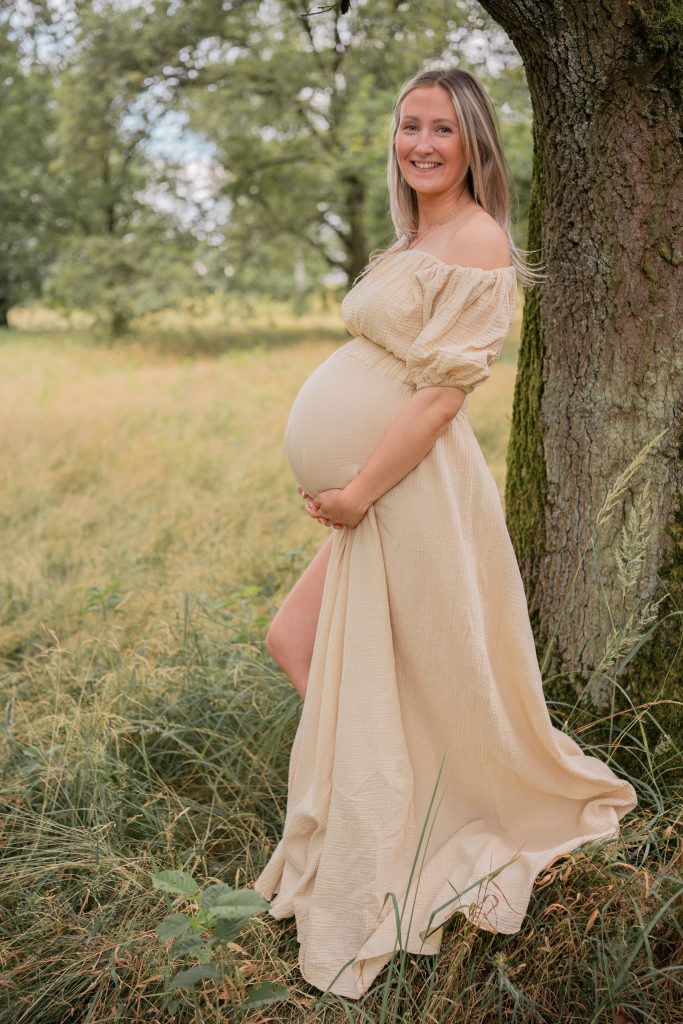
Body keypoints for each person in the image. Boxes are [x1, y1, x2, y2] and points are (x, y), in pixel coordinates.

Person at [254, 67, 638, 1000]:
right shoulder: (414, 236)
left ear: (474, 143)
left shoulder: (475, 238)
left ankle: (408, 824)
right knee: (297, 641)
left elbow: (436, 400)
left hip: (406, 488)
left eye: (441, 129)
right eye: (408, 126)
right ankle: (392, 805)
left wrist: (357, 493)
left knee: (342, 650)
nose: (421, 144)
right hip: (380, 491)